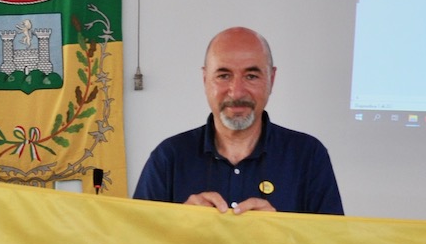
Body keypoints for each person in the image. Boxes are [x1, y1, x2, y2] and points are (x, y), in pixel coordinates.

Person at [132, 26, 344, 214]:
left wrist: (280, 233)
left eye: (251, 76)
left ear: (271, 79)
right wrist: (179, 225)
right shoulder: (169, 157)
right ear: (205, 79)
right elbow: (136, 242)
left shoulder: (308, 156)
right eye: (224, 76)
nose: (236, 92)